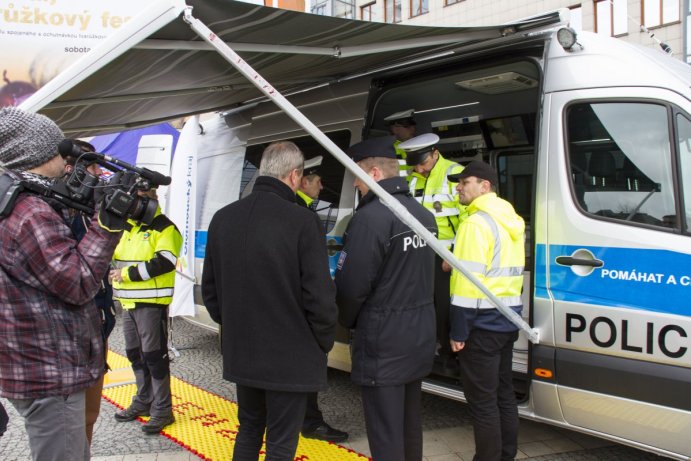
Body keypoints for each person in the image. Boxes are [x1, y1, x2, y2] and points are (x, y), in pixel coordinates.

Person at [0, 107, 125, 461]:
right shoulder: (31, 212)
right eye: (61, 151)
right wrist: (108, 224)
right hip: (51, 371)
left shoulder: (20, 200)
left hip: (37, 365)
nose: (67, 162)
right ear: (40, 154)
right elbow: (78, 282)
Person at [201, 141, 337, 460]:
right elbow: (319, 296)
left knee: (248, 428)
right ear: (294, 176)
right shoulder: (303, 221)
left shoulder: (223, 218)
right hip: (291, 355)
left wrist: (237, 327)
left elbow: (211, 291)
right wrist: (322, 341)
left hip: (243, 352)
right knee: (281, 438)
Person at [335, 137, 437, 461]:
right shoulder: (423, 215)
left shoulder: (370, 220)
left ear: (374, 174)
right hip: (417, 335)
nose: (355, 183)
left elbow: (351, 288)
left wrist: (344, 320)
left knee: (385, 431)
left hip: (383, 343)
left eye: (357, 175)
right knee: (409, 426)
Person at [446, 160, 525, 461]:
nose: (458, 187)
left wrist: (459, 331)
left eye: (465, 182)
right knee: (504, 394)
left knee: (482, 403)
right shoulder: (510, 220)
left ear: (484, 186)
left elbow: (468, 286)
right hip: (506, 320)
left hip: (480, 326)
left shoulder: (475, 223)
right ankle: (506, 455)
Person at [110, 188, 182, 434]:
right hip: (128, 303)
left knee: (155, 357)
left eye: (139, 199)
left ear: (151, 200)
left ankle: (162, 410)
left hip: (151, 304)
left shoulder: (165, 228)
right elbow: (115, 256)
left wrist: (126, 275)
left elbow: (165, 262)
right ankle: (144, 401)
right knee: (134, 354)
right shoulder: (129, 228)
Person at [62, 139, 118, 445]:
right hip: (74, 336)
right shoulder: (57, 216)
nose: (99, 174)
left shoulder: (84, 213)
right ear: (71, 170)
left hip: (97, 329)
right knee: (75, 422)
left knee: (88, 418)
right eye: (93, 167)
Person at [399, 133, 466, 377]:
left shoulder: (454, 174)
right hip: (419, 254)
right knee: (420, 306)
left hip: (446, 256)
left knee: (445, 309)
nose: (420, 168)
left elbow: (468, 219)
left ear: (435, 153)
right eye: (415, 164)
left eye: (423, 163)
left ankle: (451, 358)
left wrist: (456, 255)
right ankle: (426, 352)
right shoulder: (412, 179)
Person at [294, 155, 349, 443]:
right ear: (302, 181)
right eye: (316, 180)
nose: (321, 185)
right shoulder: (303, 215)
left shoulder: (300, 210)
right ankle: (310, 422)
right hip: (302, 307)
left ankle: (306, 419)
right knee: (306, 366)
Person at [384, 109, 417, 177]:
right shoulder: (388, 149)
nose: (413, 128)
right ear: (395, 129)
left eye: (413, 125)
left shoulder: (420, 144)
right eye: (407, 126)